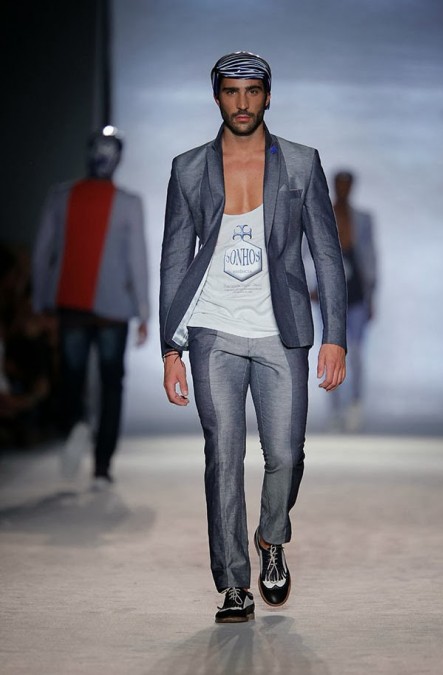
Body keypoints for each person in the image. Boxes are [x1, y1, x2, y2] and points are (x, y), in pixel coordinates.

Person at [159, 52, 347, 623]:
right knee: (222, 454)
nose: (242, 103)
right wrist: (171, 348)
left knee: (286, 454)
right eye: (231, 91)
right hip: (213, 328)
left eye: (252, 91)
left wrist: (335, 335)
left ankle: (271, 535)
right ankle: (233, 584)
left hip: (279, 330)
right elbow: (173, 260)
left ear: (268, 95)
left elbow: (326, 253)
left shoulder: (302, 161)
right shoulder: (188, 168)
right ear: (217, 95)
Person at [32, 127, 150, 488]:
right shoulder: (128, 203)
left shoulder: (61, 196)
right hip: (113, 309)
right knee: (111, 384)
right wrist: (143, 311)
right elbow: (137, 259)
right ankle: (101, 468)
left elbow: (42, 252)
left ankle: (78, 425)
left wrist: (41, 300)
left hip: (71, 305)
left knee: (72, 377)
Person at [329, 170, 377, 432]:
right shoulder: (322, 213)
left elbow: (370, 257)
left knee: (356, 352)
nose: (343, 189)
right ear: (334, 186)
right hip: (330, 295)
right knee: (331, 352)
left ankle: (355, 405)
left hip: (357, 292)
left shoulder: (363, 219)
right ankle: (336, 410)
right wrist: (311, 286)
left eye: (347, 185)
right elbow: (307, 252)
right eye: (340, 185)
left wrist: (372, 296)